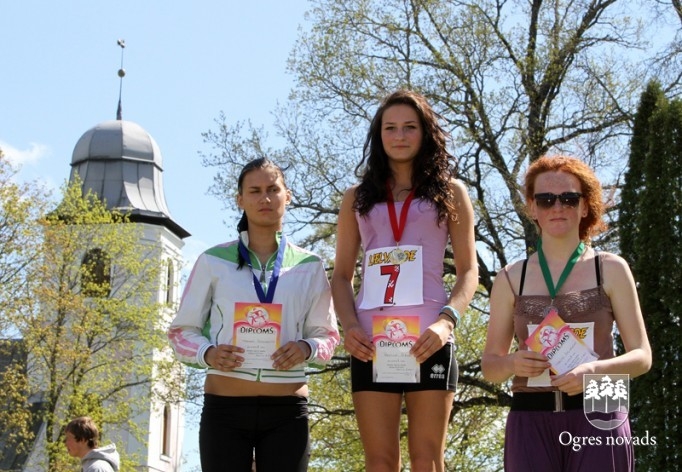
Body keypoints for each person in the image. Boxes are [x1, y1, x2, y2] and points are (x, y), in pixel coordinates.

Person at [331, 89, 478, 471]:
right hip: (371, 341)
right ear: (378, 135)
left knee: (427, 460)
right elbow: (342, 276)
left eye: (410, 127)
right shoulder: (356, 197)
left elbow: (468, 272)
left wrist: (447, 322)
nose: (399, 136)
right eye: (390, 128)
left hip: (428, 340)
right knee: (379, 462)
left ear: (425, 133)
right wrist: (348, 327)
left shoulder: (451, 193)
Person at [168, 158, 339, 472]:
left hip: (287, 411)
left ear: (287, 196)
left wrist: (306, 348)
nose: (265, 198)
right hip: (225, 409)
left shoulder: (309, 265)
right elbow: (181, 332)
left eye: (273, 189)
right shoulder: (212, 261)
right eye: (255, 190)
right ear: (240, 199)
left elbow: (327, 335)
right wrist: (208, 353)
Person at [482, 155, 652, 471]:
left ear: (585, 206)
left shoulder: (612, 268)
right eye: (545, 200)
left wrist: (592, 372)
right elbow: (490, 366)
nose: (557, 207)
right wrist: (511, 362)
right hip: (530, 415)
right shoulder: (509, 277)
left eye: (569, 198)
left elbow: (642, 356)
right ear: (532, 208)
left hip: (602, 406)